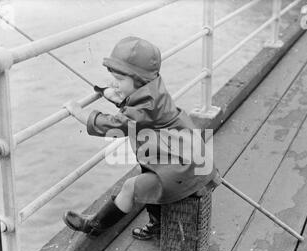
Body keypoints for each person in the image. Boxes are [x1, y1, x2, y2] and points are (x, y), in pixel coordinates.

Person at [62, 36, 219, 240]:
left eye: (119, 80)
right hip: (184, 161)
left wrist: (78, 112)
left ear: (138, 79)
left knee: (131, 187)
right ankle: (158, 225)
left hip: (181, 168)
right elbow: (138, 112)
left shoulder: (144, 103)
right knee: (148, 174)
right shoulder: (153, 89)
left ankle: (94, 225)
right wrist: (118, 96)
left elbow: (114, 125)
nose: (115, 84)